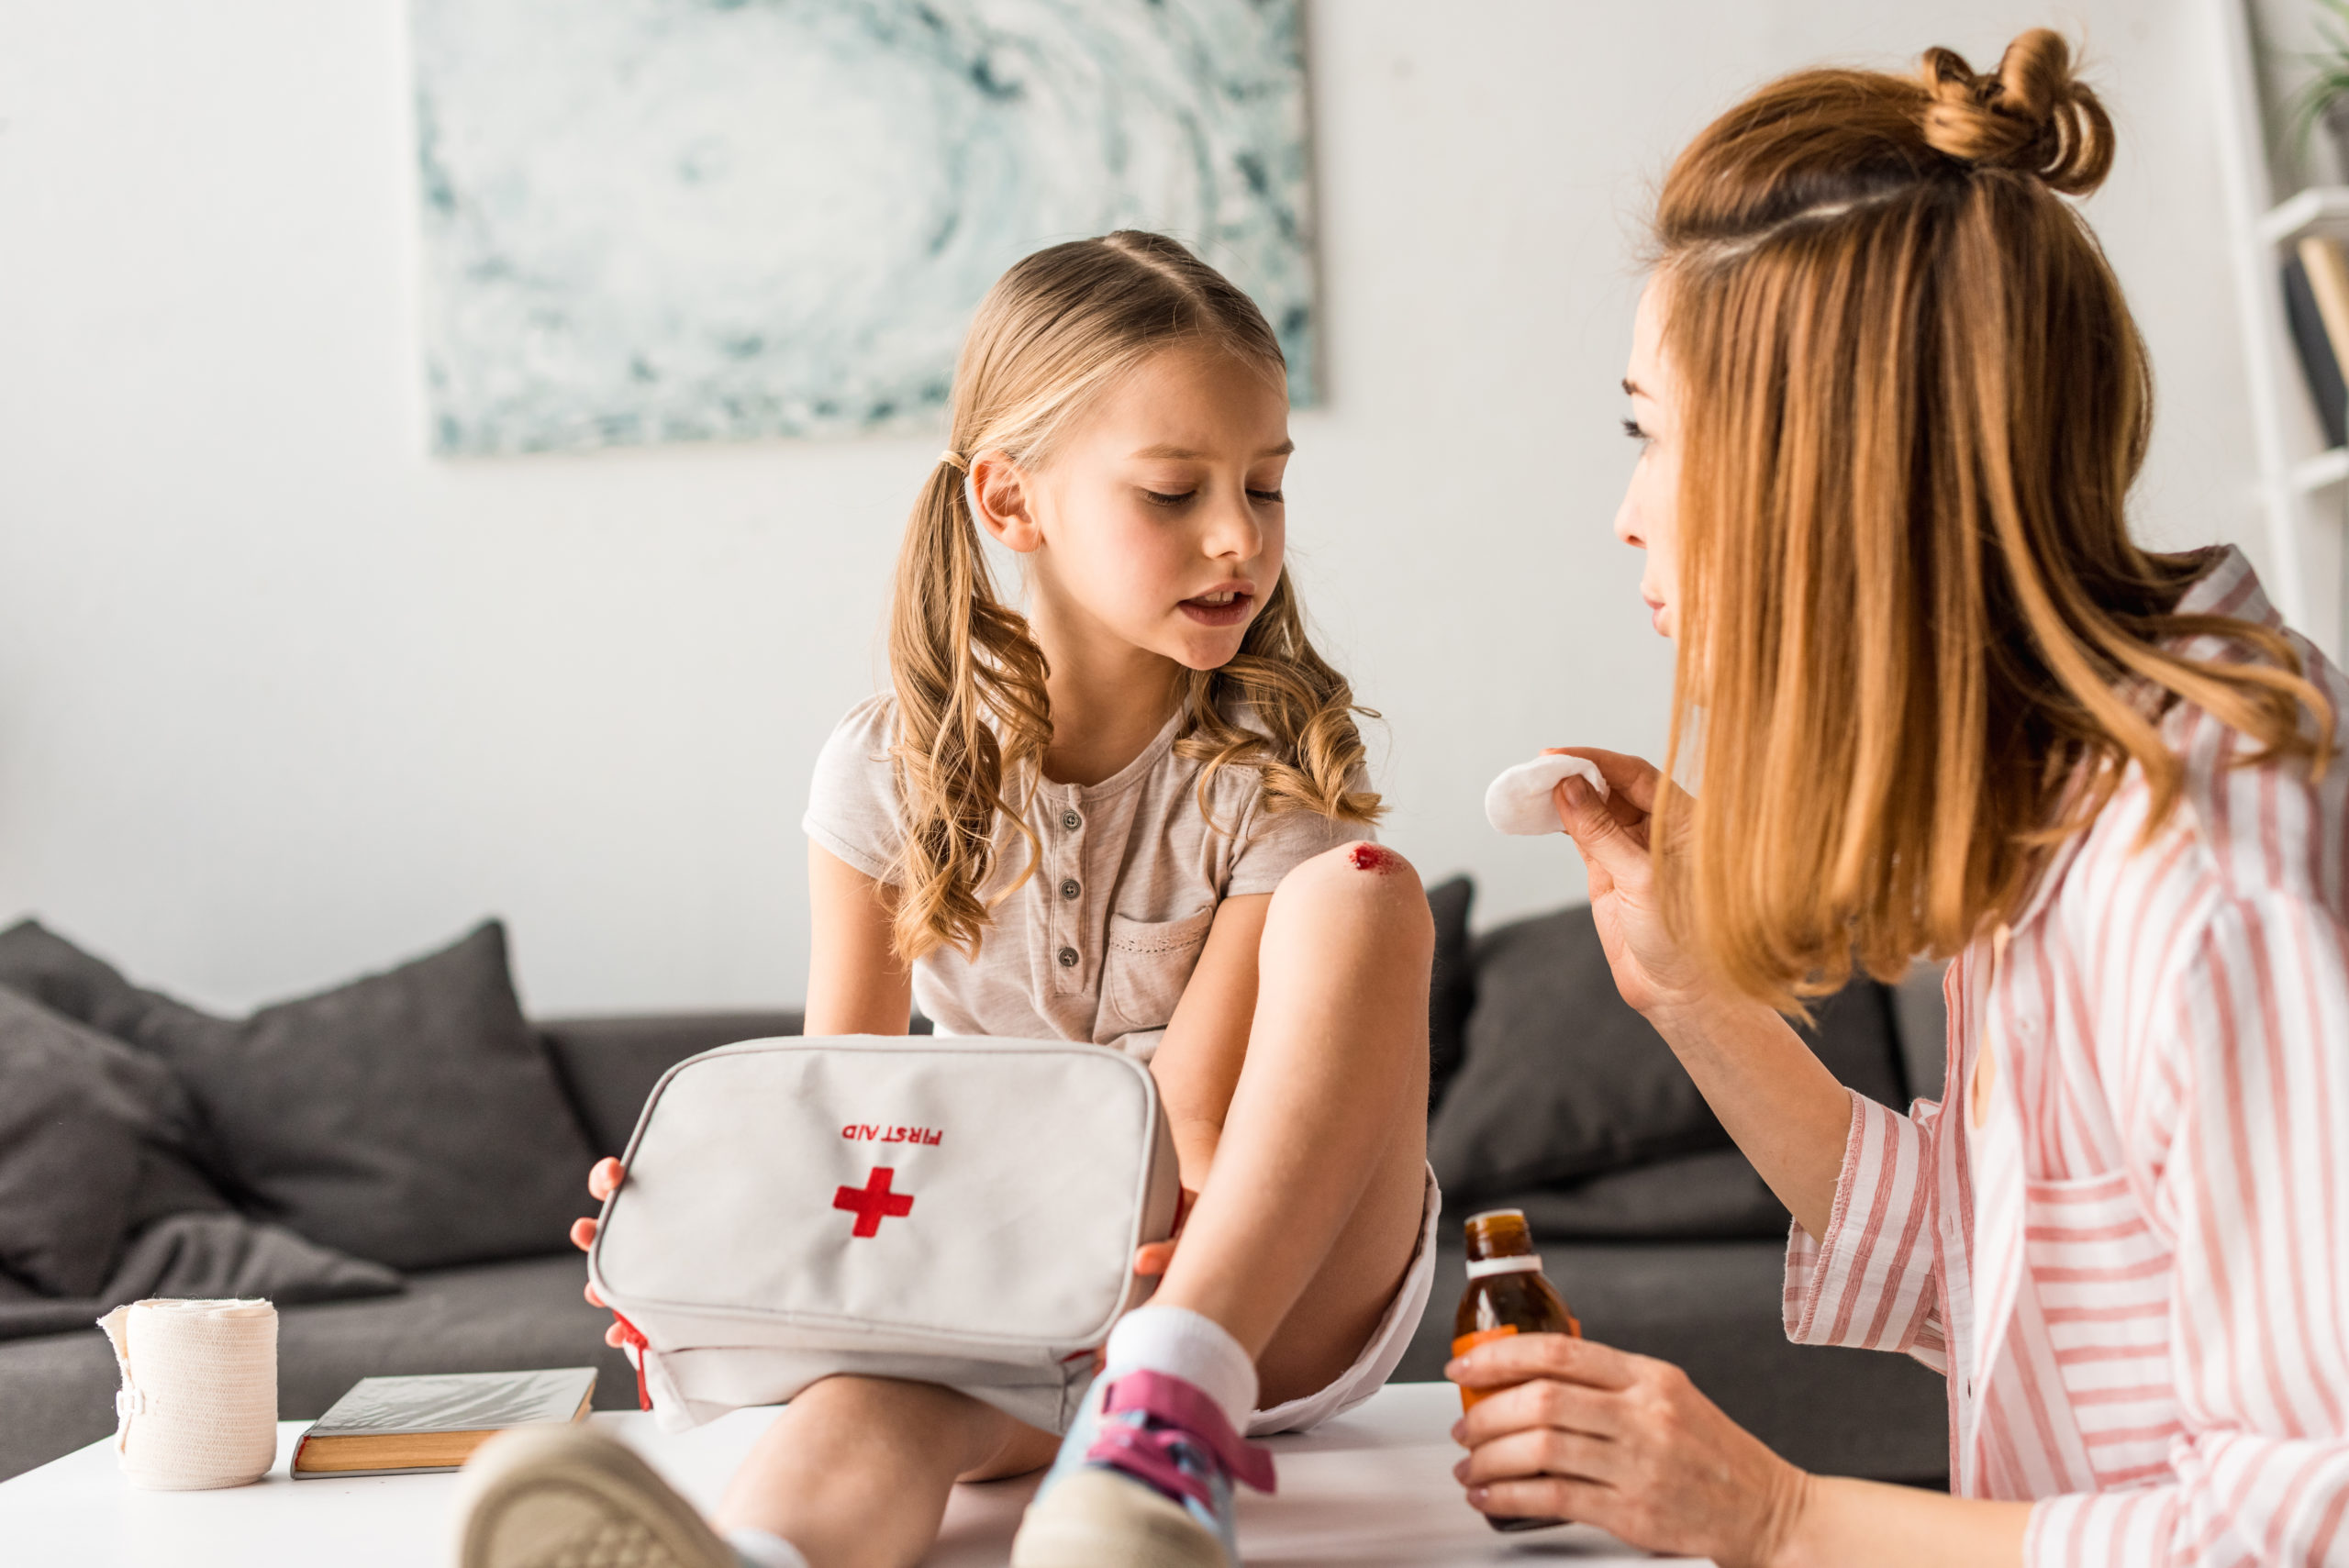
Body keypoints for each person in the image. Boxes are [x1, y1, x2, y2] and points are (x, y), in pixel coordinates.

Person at [1446, 29, 2349, 1568]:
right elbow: (1996, 1266)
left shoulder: (2200, 885)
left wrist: (1779, 1513)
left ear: (1825, 470)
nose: (1626, 515)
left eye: (1647, 434)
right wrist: (1693, 998)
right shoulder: (2056, 800)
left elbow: (2307, 1522)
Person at [453, 231, 1439, 1568]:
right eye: (1174, 491)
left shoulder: (1267, 780)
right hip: (1016, 1280)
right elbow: (840, 1094)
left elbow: (1190, 1142)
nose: (1238, 537)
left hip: (1250, 1283)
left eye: (1264, 488)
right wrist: (723, 1225)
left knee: (1365, 895)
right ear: (1012, 501)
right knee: (869, 1406)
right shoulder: (879, 775)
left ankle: (1166, 1420)